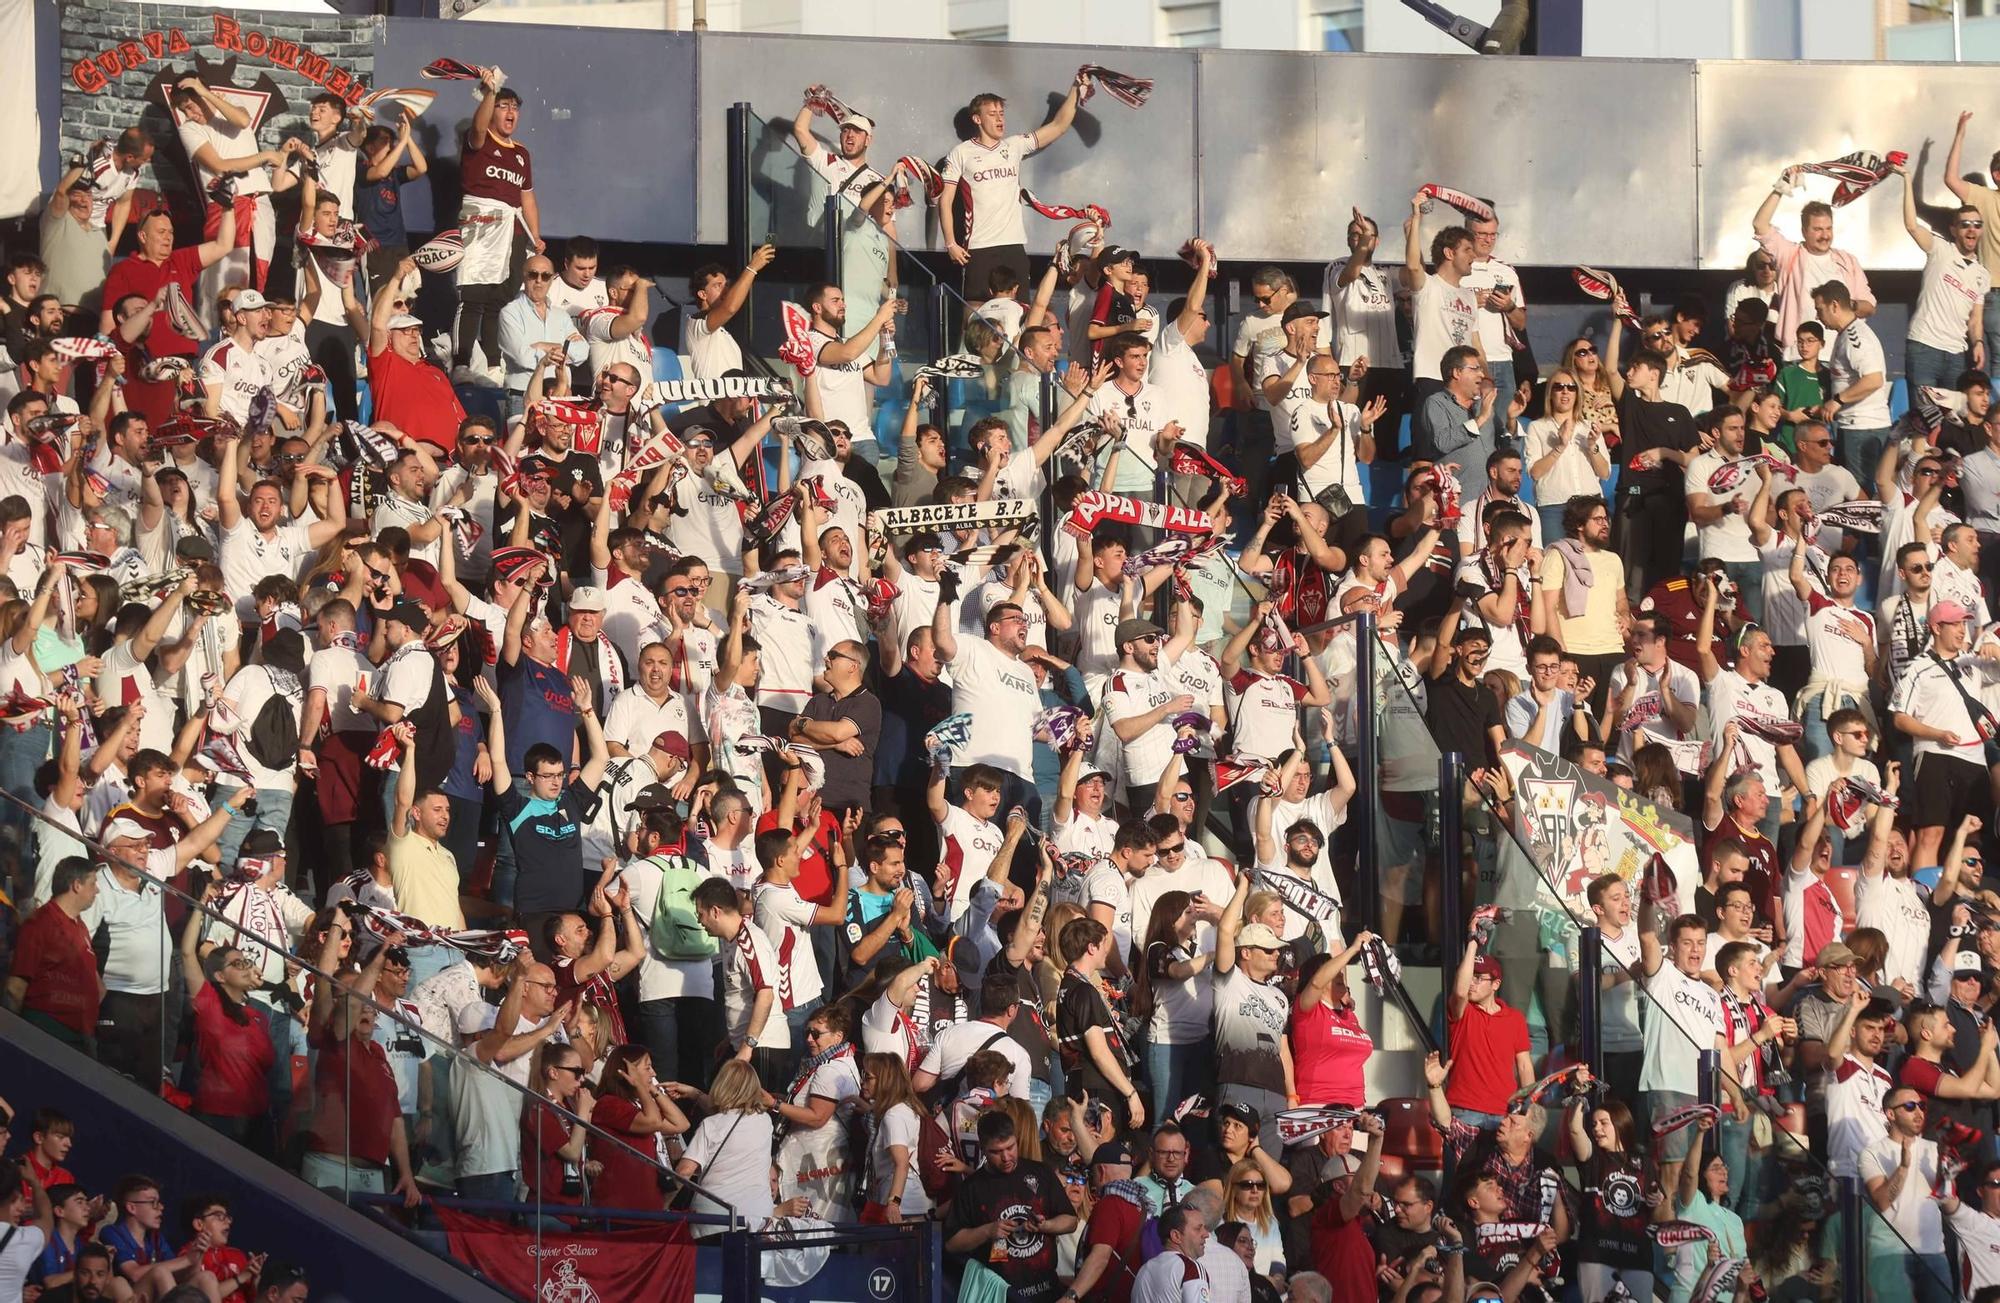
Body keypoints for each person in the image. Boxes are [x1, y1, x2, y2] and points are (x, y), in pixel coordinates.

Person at [940, 77, 1085, 296]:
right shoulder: (961, 153)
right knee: (976, 316)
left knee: (1020, 312)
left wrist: (1076, 87)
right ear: (977, 119)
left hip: (1014, 245)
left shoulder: (1014, 145)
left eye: (1001, 114)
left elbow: (1058, 126)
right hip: (979, 247)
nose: (999, 119)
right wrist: (951, 243)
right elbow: (945, 201)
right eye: (992, 114)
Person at [942, 1110, 1078, 1302]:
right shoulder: (971, 1188)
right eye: (996, 1152)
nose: (1006, 1157)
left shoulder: (1041, 1173)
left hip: (1046, 1291)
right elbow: (952, 1243)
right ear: (982, 1148)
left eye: (1010, 1147)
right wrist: (988, 1231)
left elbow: (1071, 1220)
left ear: (1017, 1140)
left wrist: (1047, 1225)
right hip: (1001, 1294)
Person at [672, 1060, 779, 1236]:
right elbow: (731, 1117)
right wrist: (695, 1094)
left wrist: (663, 1205)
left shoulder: (710, 1125)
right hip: (757, 1218)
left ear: (721, 1085)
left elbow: (684, 1171)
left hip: (714, 1220)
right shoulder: (764, 1122)